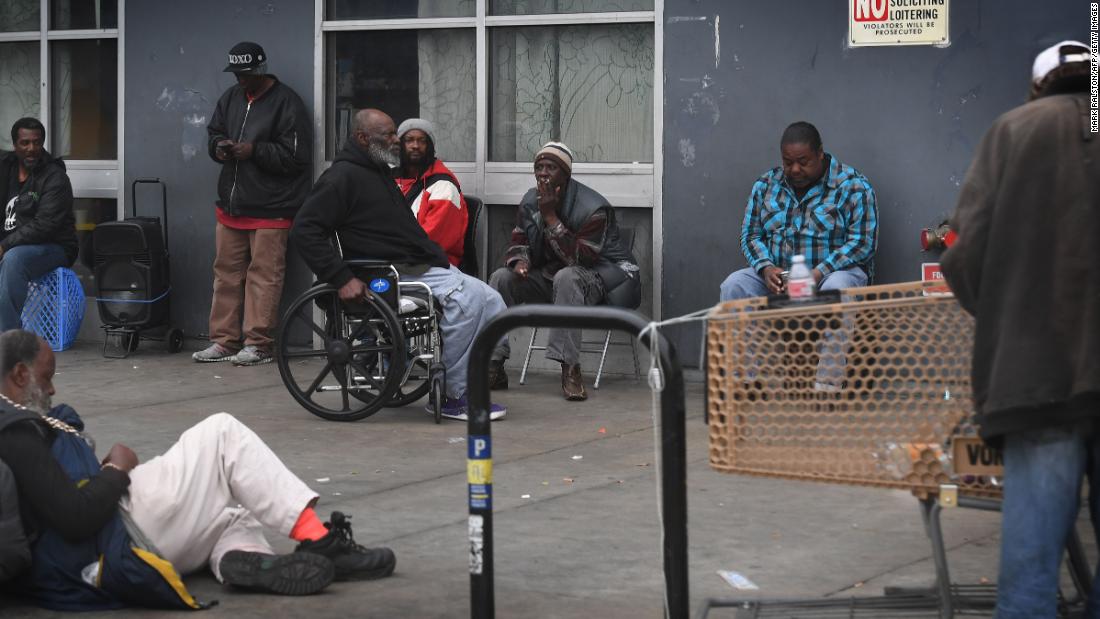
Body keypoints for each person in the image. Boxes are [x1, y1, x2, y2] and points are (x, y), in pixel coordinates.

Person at [0, 330, 395, 609]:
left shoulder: (16, 427)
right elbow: (74, 516)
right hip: (117, 533)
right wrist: (116, 470)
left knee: (235, 504)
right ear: (20, 375)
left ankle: (241, 558)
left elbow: (57, 494)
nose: (51, 391)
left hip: (118, 531)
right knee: (221, 435)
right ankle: (322, 542)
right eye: (46, 378)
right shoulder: (14, 434)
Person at [941, 40, 1098, 619]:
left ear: (1039, 86)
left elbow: (961, 254)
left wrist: (1004, 315)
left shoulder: (1013, 131)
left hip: (1038, 379)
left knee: (1031, 573)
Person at [290, 109, 507, 422]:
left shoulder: (377, 170)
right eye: (389, 135)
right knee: (468, 300)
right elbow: (304, 230)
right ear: (363, 139)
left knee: (492, 301)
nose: (397, 141)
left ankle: (478, 375)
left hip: (417, 263)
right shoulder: (342, 177)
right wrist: (341, 278)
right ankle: (453, 395)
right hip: (387, 271)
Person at [487, 142, 641, 401]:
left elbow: (579, 259)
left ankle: (570, 369)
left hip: (600, 279)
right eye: (539, 168)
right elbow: (518, 240)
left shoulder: (593, 208)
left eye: (551, 168)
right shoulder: (529, 201)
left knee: (567, 277)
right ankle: (494, 363)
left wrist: (550, 217)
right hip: (551, 278)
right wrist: (519, 261)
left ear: (566, 175)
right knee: (500, 278)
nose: (543, 174)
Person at [194, 41, 312, 366]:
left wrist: (254, 151)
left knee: (264, 276)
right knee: (226, 274)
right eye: (236, 73)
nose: (240, 80)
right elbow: (214, 131)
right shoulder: (231, 97)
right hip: (232, 205)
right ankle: (223, 341)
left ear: (260, 69)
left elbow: (296, 157)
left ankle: (259, 344)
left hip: (272, 209)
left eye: (246, 74)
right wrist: (218, 147)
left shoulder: (287, 102)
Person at [718, 122, 877, 302]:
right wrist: (766, 268)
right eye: (788, 162)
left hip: (829, 275)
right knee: (734, 285)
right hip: (780, 281)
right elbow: (751, 235)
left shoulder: (853, 187)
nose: (795, 169)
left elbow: (862, 243)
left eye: (803, 162)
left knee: (837, 288)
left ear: (820, 153)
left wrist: (818, 273)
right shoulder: (765, 186)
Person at [0, 118, 78, 332]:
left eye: (36, 142)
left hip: (54, 246)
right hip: (11, 244)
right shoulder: (5, 167)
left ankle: (7, 339)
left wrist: (4, 246)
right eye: (25, 143)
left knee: (14, 259)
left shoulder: (55, 177)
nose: (31, 149)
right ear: (15, 144)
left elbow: (45, 225)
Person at [394, 118, 468, 266]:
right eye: (409, 140)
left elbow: (430, 241)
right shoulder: (390, 178)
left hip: (432, 264)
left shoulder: (444, 186)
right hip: (397, 259)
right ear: (400, 145)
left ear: (430, 146)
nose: (416, 146)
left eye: (422, 141)